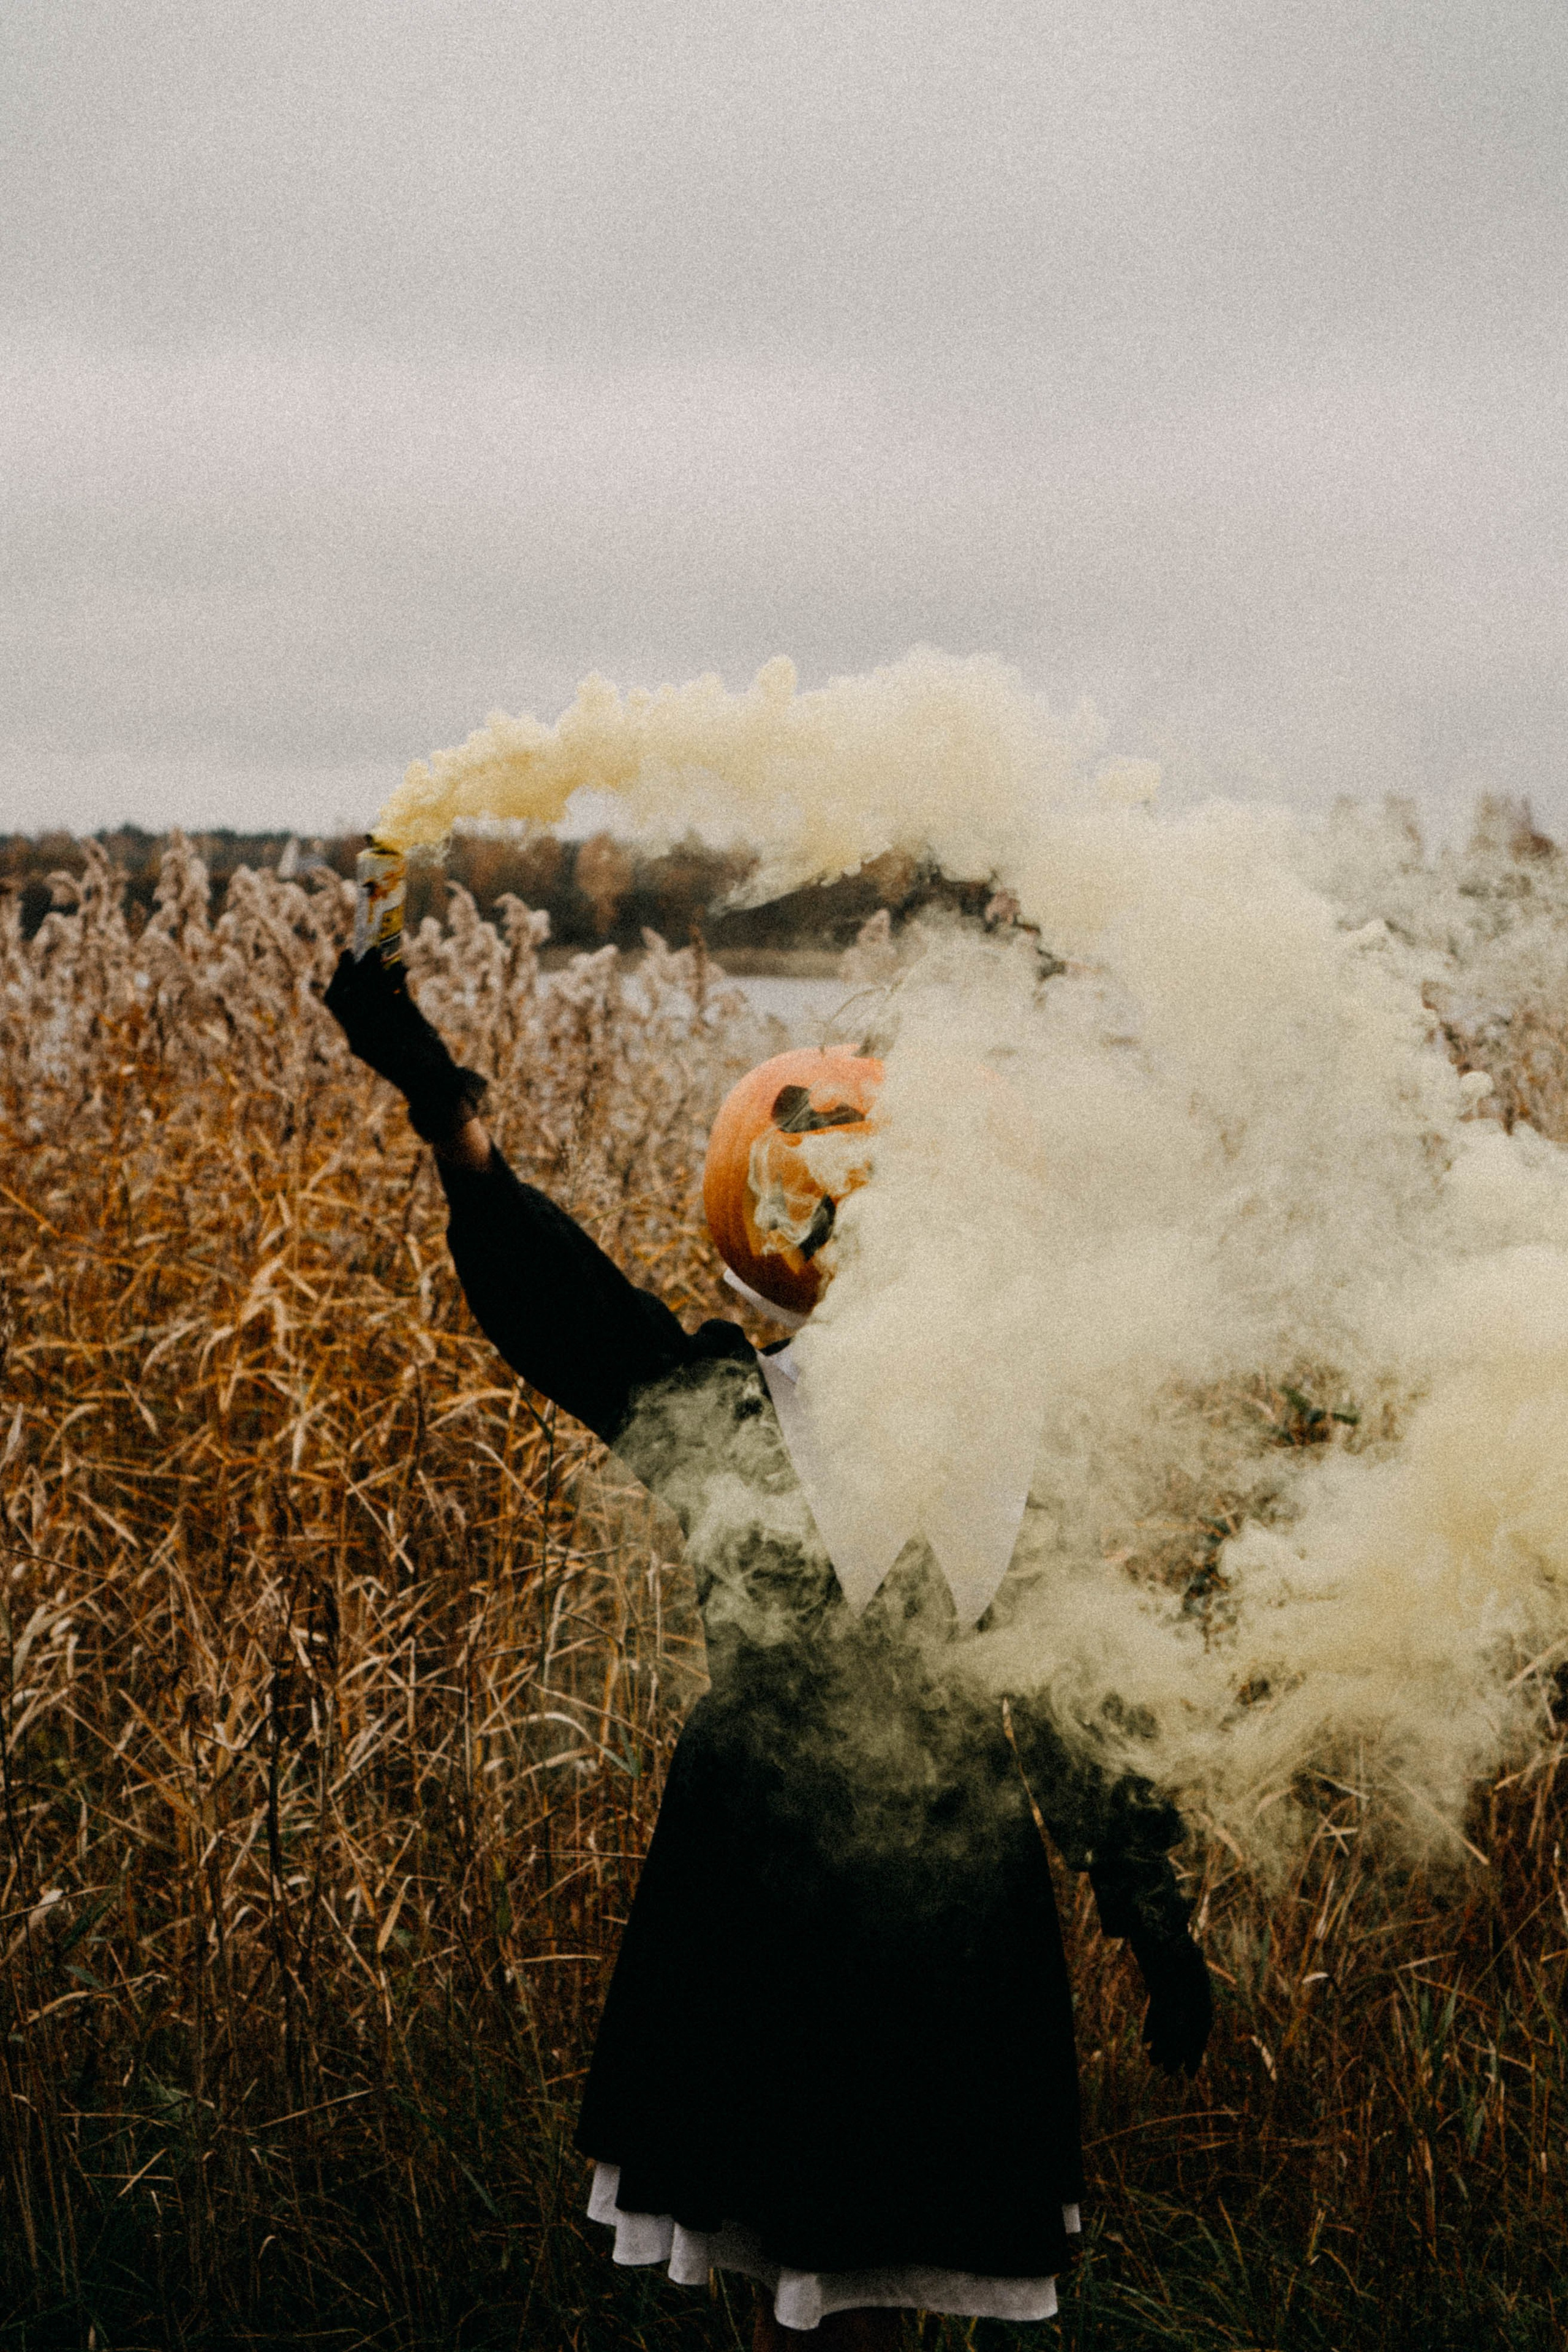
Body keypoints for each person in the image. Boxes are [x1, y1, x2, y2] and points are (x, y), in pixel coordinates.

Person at [324, 947, 1213, 2349]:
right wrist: (452, 1121)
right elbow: (560, 1306)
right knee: (816, 2249)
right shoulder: (729, 1413)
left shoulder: (976, 1455)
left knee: (902, 2244)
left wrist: (1142, 1893)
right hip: (777, 1866)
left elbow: (1062, 1689)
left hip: (928, 1879)